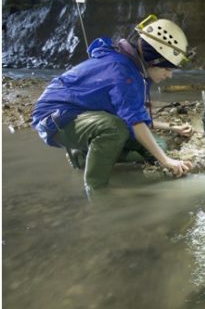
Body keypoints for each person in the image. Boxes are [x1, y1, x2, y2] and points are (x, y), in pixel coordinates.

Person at [31, 14, 194, 193]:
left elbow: (134, 115)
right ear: (152, 61)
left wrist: (171, 128)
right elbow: (135, 122)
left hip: (84, 114)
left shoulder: (133, 68)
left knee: (157, 146)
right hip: (56, 117)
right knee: (115, 128)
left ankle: (84, 156)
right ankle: (96, 189)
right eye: (167, 68)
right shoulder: (124, 72)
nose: (169, 75)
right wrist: (166, 161)